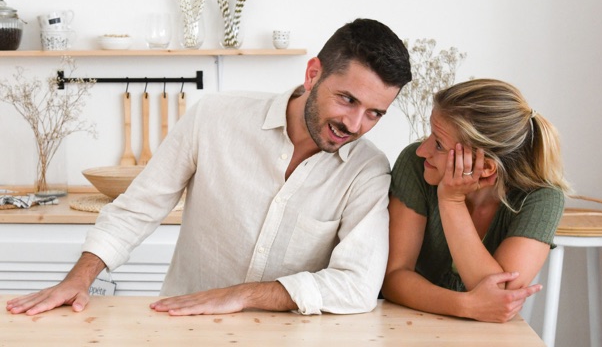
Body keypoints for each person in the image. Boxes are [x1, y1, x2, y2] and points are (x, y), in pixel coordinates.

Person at [7, 18, 412, 316]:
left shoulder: (368, 170)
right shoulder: (215, 117)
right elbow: (138, 207)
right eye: (347, 100)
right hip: (184, 327)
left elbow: (358, 284)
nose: (355, 125)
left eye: (375, 113)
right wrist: (79, 277)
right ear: (313, 74)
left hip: (292, 335)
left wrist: (244, 294)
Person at [381, 78, 571, 323]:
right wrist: (466, 305)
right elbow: (394, 278)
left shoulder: (542, 200)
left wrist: (451, 202)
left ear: (487, 168)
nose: (422, 150)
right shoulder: (417, 166)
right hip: (406, 323)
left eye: (438, 144)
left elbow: (501, 296)